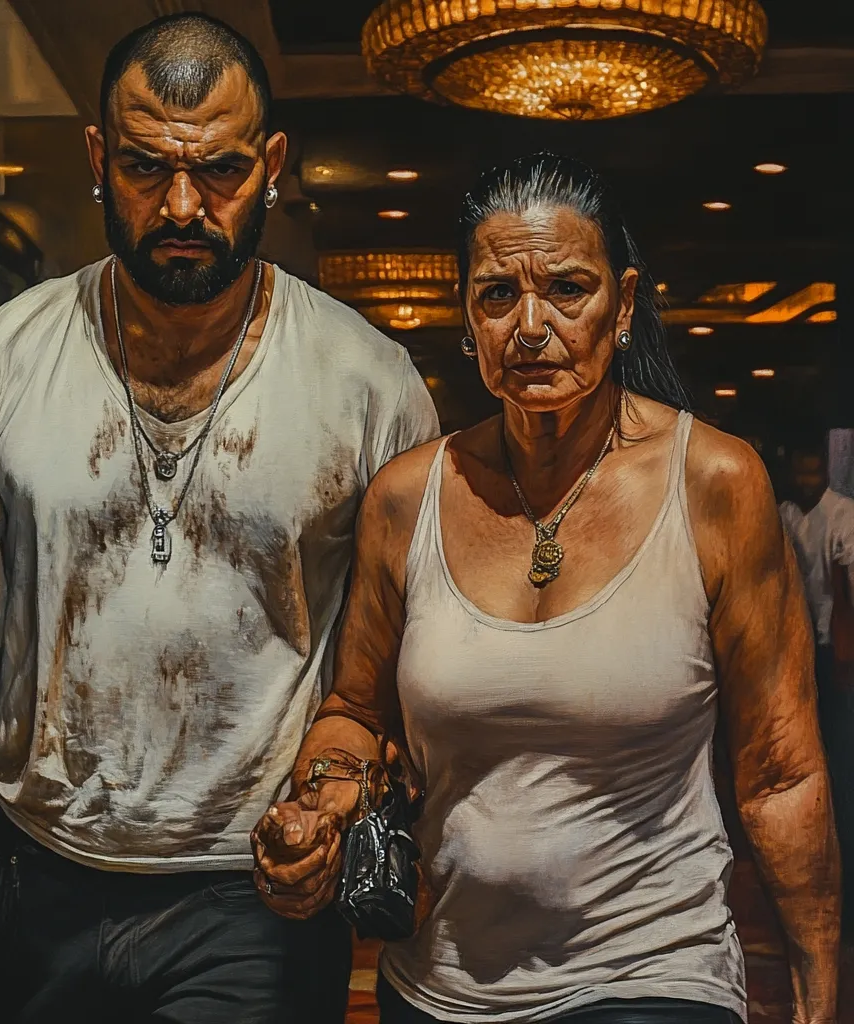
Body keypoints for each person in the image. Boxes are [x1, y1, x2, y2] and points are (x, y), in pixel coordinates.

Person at [0, 13, 438, 1023]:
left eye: (220, 172)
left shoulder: (367, 382)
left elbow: (402, 647)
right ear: (99, 159)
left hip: (256, 886)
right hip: (39, 868)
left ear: (271, 166)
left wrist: (343, 807)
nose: (182, 205)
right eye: (144, 168)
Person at [253, 154, 840, 1024]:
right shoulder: (408, 498)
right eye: (498, 295)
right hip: (440, 983)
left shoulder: (715, 483)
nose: (531, 326)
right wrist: (325, 796)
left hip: (653, 972)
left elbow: (780, 775)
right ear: (468, 316)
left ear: (623, 305)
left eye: (568, 290)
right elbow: (355, 710)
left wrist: (819, 995)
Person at [779, 435, 854, 935]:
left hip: (836, 649)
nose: (807, 481)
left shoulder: (843, 514)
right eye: (800, 473)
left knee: (839, 755)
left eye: (814, 473)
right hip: (797, 647)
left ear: (825, 472)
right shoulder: (786, 514)